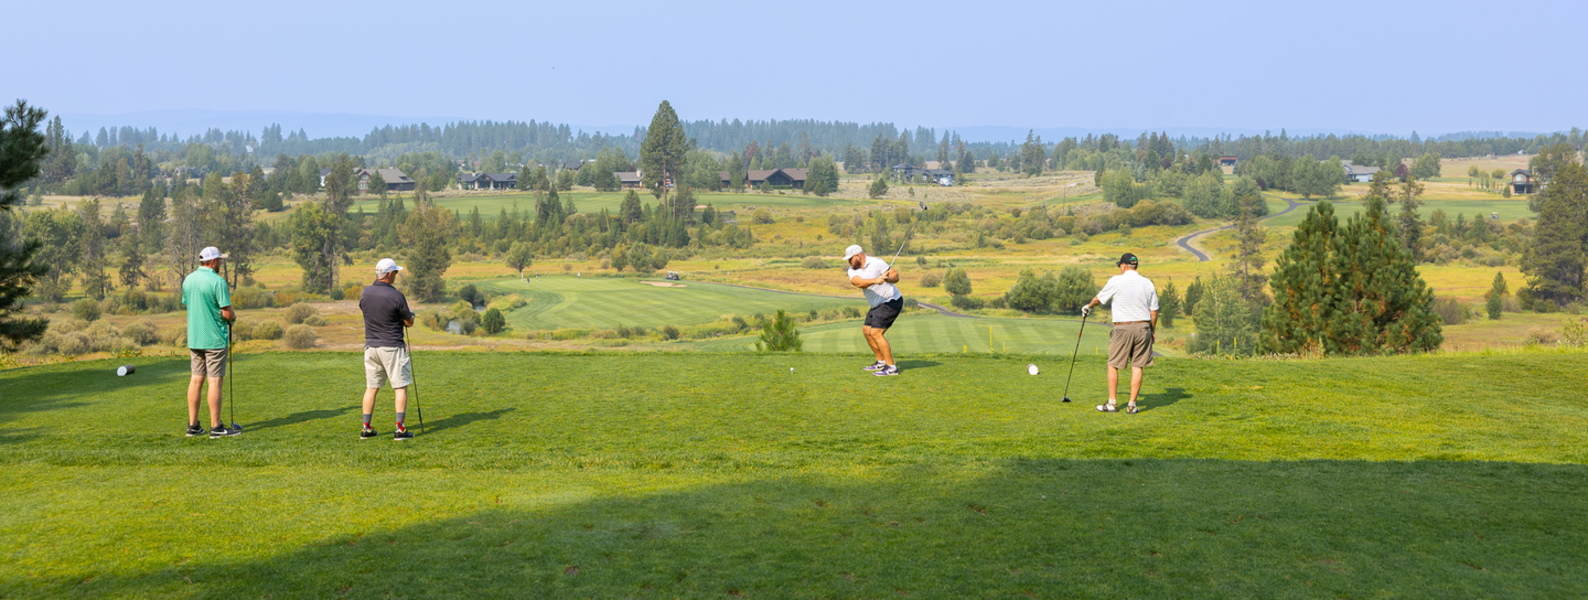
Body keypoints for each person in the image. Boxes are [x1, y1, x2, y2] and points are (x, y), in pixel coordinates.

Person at [1081, 253, 1159, 414]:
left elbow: (1099, 298)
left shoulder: (1116, 280)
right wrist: (1152, 331)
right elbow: (1154, 311)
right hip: (1143, 327)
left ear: (1123, 266)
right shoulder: (1147, 283)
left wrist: (1088, 306)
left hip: (1122, 328)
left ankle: (1112, 403)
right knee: (1137, 366)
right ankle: (1132, 405)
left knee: (1113, 364)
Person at [181, 246, 239, 438]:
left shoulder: (189, 279)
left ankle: (193, 426)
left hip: (195, 338)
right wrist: (232, 317)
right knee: (215, 381)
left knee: (196, 380)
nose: (221, 263)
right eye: (220, 260)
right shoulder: (217, 281)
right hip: (214, 339)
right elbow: (226, 312)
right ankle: (216, 427)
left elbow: (189, 304)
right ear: (213, 262)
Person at [358, 258, 417, 440]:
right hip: (392, 347)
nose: (396, 276)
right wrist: (408, 318)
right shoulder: (396, 296)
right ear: (390, 274)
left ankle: (366, 429)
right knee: (400, 387)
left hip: (371, 347)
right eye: (395, 273)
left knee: (372, 387)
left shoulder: (365, 293)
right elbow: (409, 321)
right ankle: (400, 430)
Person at [844, 244, 904, 376]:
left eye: (850, 259)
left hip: (890, 301)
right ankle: (880, 362)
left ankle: (891, 368)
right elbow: (858, 283)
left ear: (858, 256)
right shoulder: (852, 270)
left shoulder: (877, 262)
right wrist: (876, 280)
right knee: (867, 331)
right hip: (876, 305)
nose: (849, 262)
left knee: (876, 333)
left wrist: (888, 278)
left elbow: (895, 275)